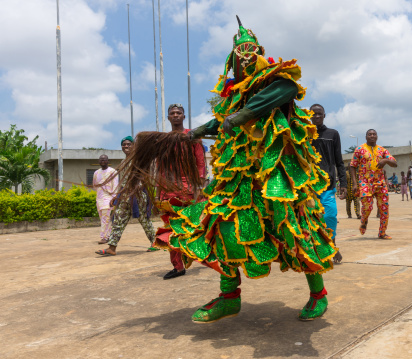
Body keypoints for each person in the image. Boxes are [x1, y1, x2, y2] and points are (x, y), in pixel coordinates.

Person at [117, 17, 339, 323]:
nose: (246, 59)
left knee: (292, 228)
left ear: (260, 53)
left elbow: (287, 90)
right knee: (222, 225)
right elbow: (220, 121)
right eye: (240, 54)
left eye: (251, 52)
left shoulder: (275, 80)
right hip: (240, 177)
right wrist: (192, 133)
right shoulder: (233, 94)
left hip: (277, 176)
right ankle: (229, 296)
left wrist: (243, 115)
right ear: (233, 60)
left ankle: (318, 294)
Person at [156, 104, 207, 280]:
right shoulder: (163, 140)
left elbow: (201, 162)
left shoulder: (192, 136)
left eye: (179, 113)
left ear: (184, 117)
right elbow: (160, 167)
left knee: (194, 225)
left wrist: (199, 186)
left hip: (188, 188)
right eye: (172, 113)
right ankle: (178, 267)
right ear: (168, 118)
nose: (176, 115)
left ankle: (205, 256)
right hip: (168, 190)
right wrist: (158, 192)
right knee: (171, 228)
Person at [95, 136, 156, 256]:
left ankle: (155, 242)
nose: (126, 146)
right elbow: (123, 182)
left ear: (134, 146)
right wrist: (116, 196)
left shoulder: (139, 160)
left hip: (138, 195)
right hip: (125, 196)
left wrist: (138, 186)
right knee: (118, 219)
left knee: (144, 220)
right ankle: (112, 247)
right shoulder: (123, 162)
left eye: (129, 144)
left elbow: (145, 175)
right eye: (124, 144)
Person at [309, 104, 346, 264]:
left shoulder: (333, 134)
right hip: (308, 186)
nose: (316, 116)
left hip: (328, 186)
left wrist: (343, 183)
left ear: (324, 115)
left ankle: (332, 244)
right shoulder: (304, 134)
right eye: (313, 114)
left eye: (319, 114)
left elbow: (339, 161)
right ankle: (317, 251)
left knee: (330, 216)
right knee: (311, 220)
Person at [350, 129, 397, 239]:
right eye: (369, 134)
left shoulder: (382, 150)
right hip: (365, 182)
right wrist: (355, 184)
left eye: (374, 134)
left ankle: (382, 232)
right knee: (368, 207)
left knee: (384, 208)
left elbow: (394, 163)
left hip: (380, 182)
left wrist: (385, 161)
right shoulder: (359, 149)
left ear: (377, 137)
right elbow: (352, 166)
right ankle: (364, 220)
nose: (372, 136)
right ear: (366, 137)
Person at [93, 155, 119, 244]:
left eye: (104, 160)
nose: (102, 161)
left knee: (105, 218)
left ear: (108, 161)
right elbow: (94, 185)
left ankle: (104, 237)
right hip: (99, 199)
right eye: (101, 160)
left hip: (108, 198)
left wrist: (113, 199)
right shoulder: (96, 173)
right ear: (98, 161)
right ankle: (109, 235)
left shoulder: (113, 172)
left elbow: (115, 186)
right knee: (103, 218)